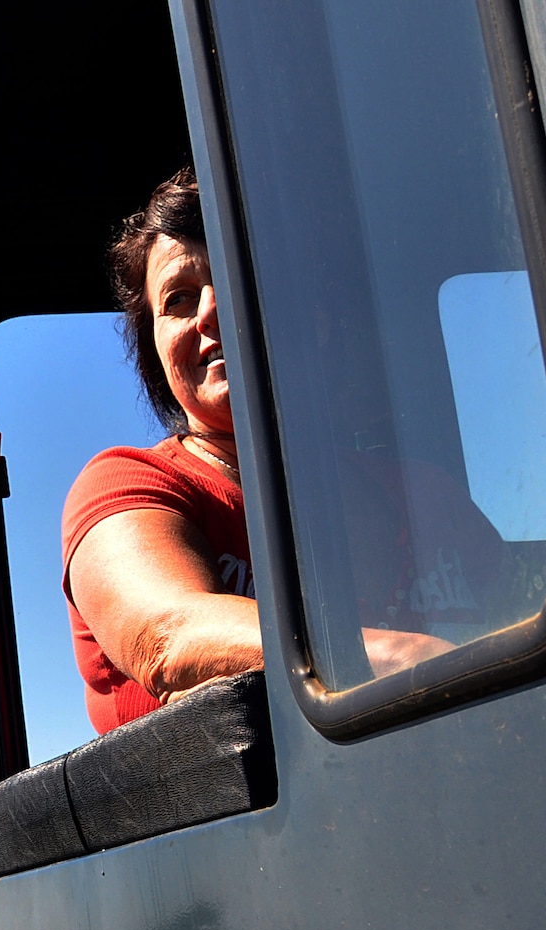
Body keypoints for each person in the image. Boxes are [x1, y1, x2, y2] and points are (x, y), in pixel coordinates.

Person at [61, 168, 461, 734]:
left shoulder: (425, 492)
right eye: (177, 299)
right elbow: (169, 638)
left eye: (238, 273)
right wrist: (414, 663)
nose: (209, 312)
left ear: (316, 321)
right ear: (156, 350)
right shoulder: (128, 485)